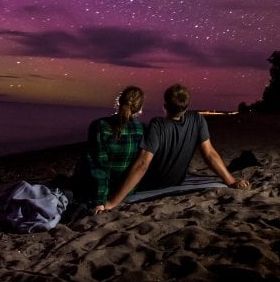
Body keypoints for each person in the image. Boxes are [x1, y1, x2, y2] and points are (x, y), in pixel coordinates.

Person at [95, 83, 250, 213]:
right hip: (176, 180)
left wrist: (113, 202)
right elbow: (209, 154)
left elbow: (142, 164)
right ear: (187, 105)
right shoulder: (197, 119)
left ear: (165, 106)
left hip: (153, 183)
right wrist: (230, 181)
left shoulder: (157, 125)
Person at [70, 85, 146, 209]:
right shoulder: (142, 128)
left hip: (104, 191)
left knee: (85, 159)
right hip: (126, 191)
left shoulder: (100, 125)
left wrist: (100, 201)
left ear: (119, 101)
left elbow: (99, 166)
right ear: (139, 108)